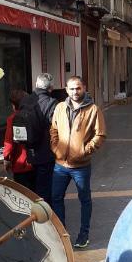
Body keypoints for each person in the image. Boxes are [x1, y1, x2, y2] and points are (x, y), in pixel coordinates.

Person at [50, 76, 106, 249]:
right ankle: (62, 233)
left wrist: (85, 150)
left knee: (84, 199)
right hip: (60, 165)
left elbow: (100, 134)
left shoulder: (93, 109)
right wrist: (56, 148)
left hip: (80, 166)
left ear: (84, 88)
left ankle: (84, 234)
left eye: (78, 88)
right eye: (72, 89)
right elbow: (54, 129)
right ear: (66, 90)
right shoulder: (60, 107)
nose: (75, 92)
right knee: (56, 197)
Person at [29, 73, 58, 202]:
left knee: (32, 187)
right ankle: (45, 215)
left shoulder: (26, 100)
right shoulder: (52, 103)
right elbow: (56, 127)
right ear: (51, 88)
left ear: (36, 84)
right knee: (45, 188)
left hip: (28, 152)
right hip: (45, 152)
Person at [3, 89, 35, 190]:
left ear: (13, 104)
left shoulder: (13, 118)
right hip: (36, 160)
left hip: (19, 161)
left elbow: (9, 142)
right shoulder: (35, 115)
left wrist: (6, 158)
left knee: (23, 192)